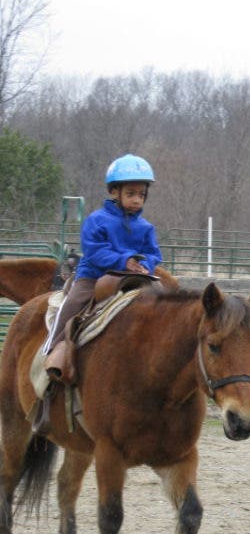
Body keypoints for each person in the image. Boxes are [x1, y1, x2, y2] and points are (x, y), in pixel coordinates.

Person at [43, 153, 162, 374]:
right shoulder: (97, 220)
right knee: (73, 304)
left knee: (165, 299)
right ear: (114, 192)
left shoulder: (146, 227)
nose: (137, 199)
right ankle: (54, 349)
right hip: (95, 277)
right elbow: (94, 251)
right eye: (130, 193)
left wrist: (148, 265)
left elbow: (153, 253)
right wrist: (124, 260)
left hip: (135, 277)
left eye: (141, 194)